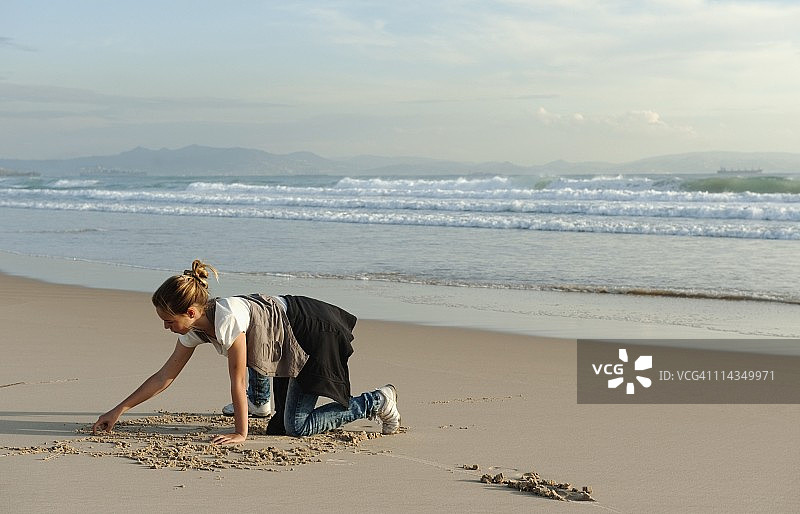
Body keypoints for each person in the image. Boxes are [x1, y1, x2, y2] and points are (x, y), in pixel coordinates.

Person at [92, 259, 401, 445]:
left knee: (296, 427)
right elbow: (164, 377)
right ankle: (260, 402)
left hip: (310, 334)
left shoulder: (227, 319)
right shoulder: (196, 327)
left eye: (169, 322)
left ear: (190, 312)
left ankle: (377, 400)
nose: (165, 327)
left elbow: (237, 379)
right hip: (283, 332)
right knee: (276, 424)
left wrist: (241, 433)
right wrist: (119, 410)